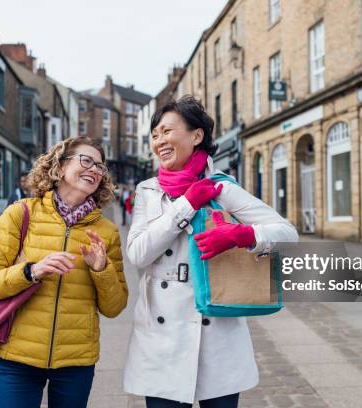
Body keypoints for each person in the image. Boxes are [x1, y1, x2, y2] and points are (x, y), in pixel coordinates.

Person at [123, 96, 298, 407]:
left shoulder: (222, 188)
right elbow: (137, 253)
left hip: (216, 333)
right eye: (155, 135)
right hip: (162, 341)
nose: (160, 141)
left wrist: (242, 235)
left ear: (196, 135)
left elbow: (288, 234)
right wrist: (186, 205)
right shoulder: (147, 191)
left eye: (167, 131)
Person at [0, 136, 128, 408]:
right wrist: (31, 271)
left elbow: (114, 307)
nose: (94, 170)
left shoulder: (107, 232)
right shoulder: (20, 214)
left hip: (76, 360)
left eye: (100, 167)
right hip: (18, 357)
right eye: (86, 160)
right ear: (59, 166)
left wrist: (101, 269)